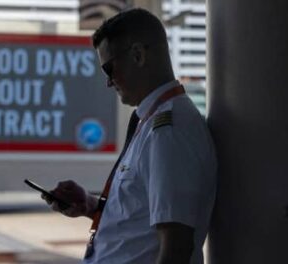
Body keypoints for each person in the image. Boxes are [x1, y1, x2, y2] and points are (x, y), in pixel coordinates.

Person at [42, 8, 217, 264]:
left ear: (138, 55)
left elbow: (176, 245)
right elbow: (139, 218)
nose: (108, 82)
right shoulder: (150, 121)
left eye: (108, 68)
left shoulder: (168, 131)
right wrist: (90, 206)